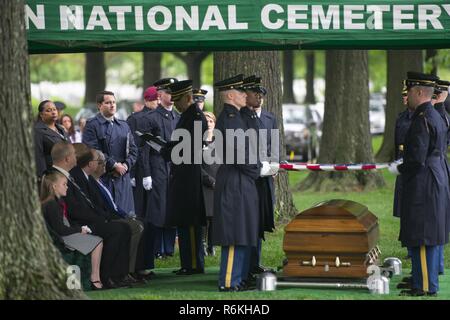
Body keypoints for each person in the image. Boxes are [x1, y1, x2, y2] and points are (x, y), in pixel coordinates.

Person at [212, 74, 277, 292]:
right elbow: (240, 155)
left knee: (242, 230)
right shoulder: (231, 119)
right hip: (235, 180)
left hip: (242, 179)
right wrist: (260, 168)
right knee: (234, 232)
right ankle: (229, 281)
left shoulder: (239, 116)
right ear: (231, 95)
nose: (245, 95)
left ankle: (238, 278)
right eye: (241, 92)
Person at [389, 72, 450, 297]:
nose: (408, 97)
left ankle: (424, 285)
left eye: (410, 92)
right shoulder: (433, 115)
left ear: (418, 92)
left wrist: (400, 167)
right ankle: (419, 279)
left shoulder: (423, 117)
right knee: (422, 232)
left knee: (423, 235)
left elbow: (416, 157)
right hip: (432, 178)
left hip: (424, 181)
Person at [50, 141, 132, 289]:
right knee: (117, 229)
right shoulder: (55, 177)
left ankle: (117, 275)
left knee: (122, 228)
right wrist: (100, 220)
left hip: (83, 220)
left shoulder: (69, 176)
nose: (78, 158)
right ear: (68, 158)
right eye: (75, 155)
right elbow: (73, 209)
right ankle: (106, 276)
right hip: (75, 224)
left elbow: (87, 203)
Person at [70, 145, 145, 282]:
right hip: (84, 223)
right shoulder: (78, 177)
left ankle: (124, 272)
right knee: (122, 228)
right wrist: (105, 218)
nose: (103, 164)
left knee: (130, 226)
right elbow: (84, 207)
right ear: (91, 163)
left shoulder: (88, 178)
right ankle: (111, 275)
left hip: (97, 218)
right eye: (99, 161)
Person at [164, 79, 208, 275]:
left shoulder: (196, 117)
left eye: (178, 101)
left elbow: (188, 147)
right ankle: (187, 263)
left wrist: (168, 150)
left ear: (188, 98)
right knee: (184, 220)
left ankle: (193, 264)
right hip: (182, 174)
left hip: (189, 175)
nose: (176, 105)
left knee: (190, 221)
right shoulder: (188, 116)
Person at [40, 171, 104, 290]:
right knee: (98, 242)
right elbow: (60, 229)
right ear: (54, 186)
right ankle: (95, 279)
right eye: (64, 184)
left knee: (96, 239)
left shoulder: (56, 202)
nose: (67, 187)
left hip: (64, 235)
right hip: (61, 239)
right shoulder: (51, 204)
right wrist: (79, 229)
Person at [241, 76, 277, 280]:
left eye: (262, 96)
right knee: (250, 219)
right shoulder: (242, 118)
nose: (260, 99)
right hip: (250, 172)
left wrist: (273, 165)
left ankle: (255, 261)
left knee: (261, 219)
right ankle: (248, 263)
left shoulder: (270, 118)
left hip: (265, 174)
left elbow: (274, 143)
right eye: (257, 95)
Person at [82, 90, 138, 216]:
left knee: (127, 218)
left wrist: (126, 165)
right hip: (103, 177)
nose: (112, 105)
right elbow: (92, 149)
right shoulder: (92, 125)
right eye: (108, 102)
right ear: (99, 105)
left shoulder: (124, 125)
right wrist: (113, 164)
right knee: (108, 217)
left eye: (114, 102)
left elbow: (134, 150)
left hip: (123, 178)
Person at [140, 78, 179, 259]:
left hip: (175, 168)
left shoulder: (178, 117)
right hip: (157, 167)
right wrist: (146, 173)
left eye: (173, 92)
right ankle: (156, 248)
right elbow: (145, 148)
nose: (171, 96)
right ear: (160, 95)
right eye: (168, 92)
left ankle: (169, 249)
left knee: (172, 207)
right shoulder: (151, 117)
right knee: (158, 209)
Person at [127, 85, 159, 219]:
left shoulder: (161, 117)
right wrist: (132, 173)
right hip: (141, 168)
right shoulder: (135, 118)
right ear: (147, 101)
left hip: (158, 167)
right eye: (155, 100)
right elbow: (133, 147)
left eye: (159, 99)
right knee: (141, 208)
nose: (157, 102)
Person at [432, 79, 450, 276]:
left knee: (437, 217)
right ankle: (438, 264)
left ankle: (437, 264)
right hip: (439, 166)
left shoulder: (439, 114)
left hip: (437, 166)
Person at [34, 100, 69, 181]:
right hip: (52, 174)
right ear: (41, 114)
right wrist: (42, 176)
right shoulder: (38, 130)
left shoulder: (61, 129)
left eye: (54, 109)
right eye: (48, 110)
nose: (53, 112)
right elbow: (38, 154)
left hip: (66, 171)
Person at [201, 111, 220, 256]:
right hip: (204, 182)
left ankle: (212, 244)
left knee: (214, 216)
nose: (208, 124)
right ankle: (202, 243)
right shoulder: (197, 141)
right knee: (204, 216)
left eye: (211, 121)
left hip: (218, 182)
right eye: (206, 121)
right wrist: (209, 180)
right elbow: (196, 166)